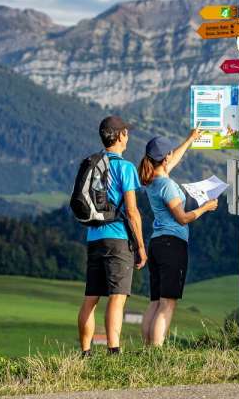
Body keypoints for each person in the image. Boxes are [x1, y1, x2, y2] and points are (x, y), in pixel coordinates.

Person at [139, 130, 218, 346]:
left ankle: (147, 350)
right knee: (168, 303)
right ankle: (156, 351)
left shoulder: (153, 180)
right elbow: (182, 218)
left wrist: (191, 139)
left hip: (156, 243)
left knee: (155, 301)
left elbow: (171, 161)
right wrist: (205, 208)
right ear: (164, 159)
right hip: (172, 245)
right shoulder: (167, 186)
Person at [78, 115, 147, 357]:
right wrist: (140, 245)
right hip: (117, 238)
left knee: (91, 297)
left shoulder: (94, 164)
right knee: (117, 297)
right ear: (119, 136)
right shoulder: (125, 167)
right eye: (126, 132)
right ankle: (113, 351)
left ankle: (85, 353)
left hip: (93, 236)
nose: (128, 136)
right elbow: (132, 210)